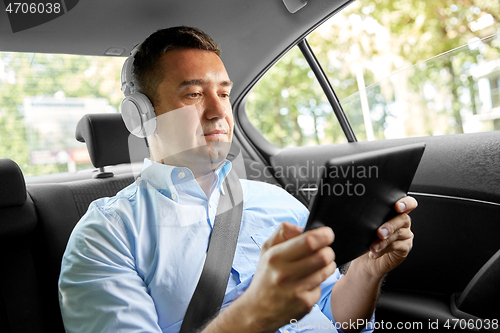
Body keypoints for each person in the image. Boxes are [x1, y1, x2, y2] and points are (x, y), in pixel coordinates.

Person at [58, 26, 416, 333]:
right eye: (194, 94)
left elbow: (337, 318)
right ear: (140, 116)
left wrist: (368, 271)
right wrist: (256, 314)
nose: (218, 112)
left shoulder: (278, 201)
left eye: (224, 93)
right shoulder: (106, 236)